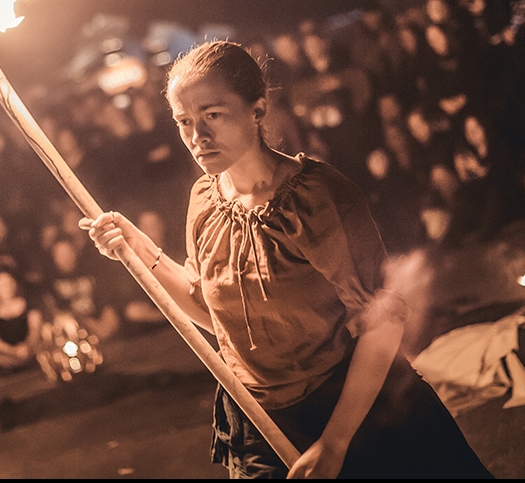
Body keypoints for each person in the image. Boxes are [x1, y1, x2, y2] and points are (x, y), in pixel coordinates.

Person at [80, 41, 492, 479]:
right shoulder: (203, 201)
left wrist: (334, 443)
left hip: (356, 408)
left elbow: (383, 321)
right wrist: (139, 249)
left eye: (212, 115)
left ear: (257, 110)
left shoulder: (317, 198)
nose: (197, 136)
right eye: (184, 121)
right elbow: (211, 312)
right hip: (261, 421)